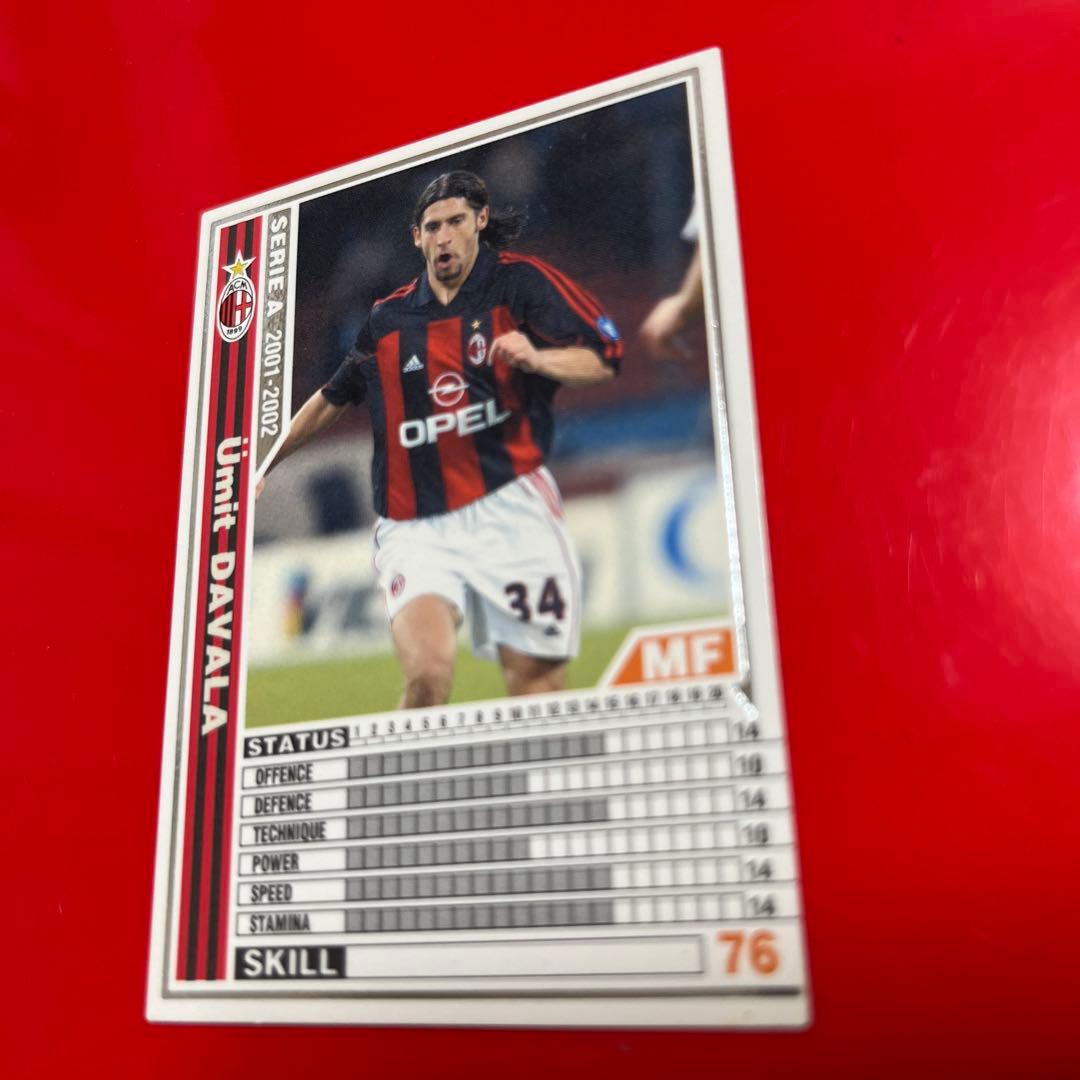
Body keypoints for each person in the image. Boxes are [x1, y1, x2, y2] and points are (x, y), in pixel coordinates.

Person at [260, 171, 622, 709]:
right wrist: (263, 463)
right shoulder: (388, 319)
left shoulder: (521, 284)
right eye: (433, 227)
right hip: (416, 522)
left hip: (511, 506)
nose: (444, 236)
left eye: (456, 221)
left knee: (536, 686)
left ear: (480, 221)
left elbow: (603, 358)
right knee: (427, 679)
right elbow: (333, 397)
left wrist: (539, 358)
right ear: (417, 237)